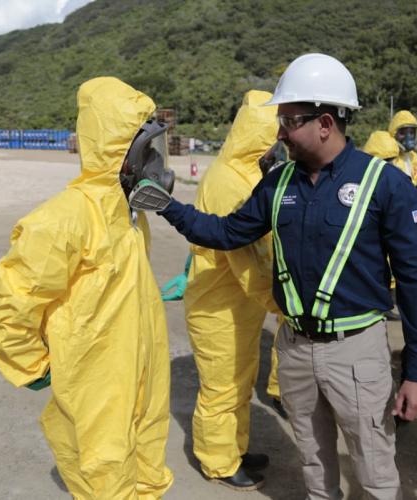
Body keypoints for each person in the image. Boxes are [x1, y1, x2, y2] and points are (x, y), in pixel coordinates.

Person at [154, 53, 417, 499]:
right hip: (295, 350)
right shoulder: (278, 183)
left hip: (357, 352)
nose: (279, 133)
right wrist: (167, 207)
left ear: (325, 122)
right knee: (313, 459)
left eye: (288, 121)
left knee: (373, 465)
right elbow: (227, 232)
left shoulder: (384, 185)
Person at [0, 77, 174, 499]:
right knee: (105, 475)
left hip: (142, 372)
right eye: (148, 151)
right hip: (95, 388)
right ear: (123, 154)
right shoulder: (61, 220)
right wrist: (36, 367)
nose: (156, 163)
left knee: (148, 461)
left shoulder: (130, 217)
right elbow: (4, 312)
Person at [182, 89, 285, 491]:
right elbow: (249, 260)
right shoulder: (229, 180)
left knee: (241, 382)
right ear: (260, 133)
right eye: (277, 132)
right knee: (221, 389)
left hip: (237, 308)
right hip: (219, 307)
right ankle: (218, 462)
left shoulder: (247, 172)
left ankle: (235, 449)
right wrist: (279, 302)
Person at [388, 110, 417, 183]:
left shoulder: (413, 156)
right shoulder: (390, 159)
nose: (408, 137)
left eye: (411, 133)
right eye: (402, 133)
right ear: (394, 134)